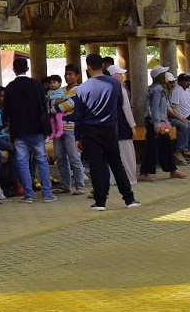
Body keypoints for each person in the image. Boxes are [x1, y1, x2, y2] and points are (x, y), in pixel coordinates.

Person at [70, 52, 140, 211]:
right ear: (102, 65)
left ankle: (100, 201)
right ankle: (129, 198)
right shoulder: (115, 84)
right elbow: (120, 104)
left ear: (87, 68)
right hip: (110, 129)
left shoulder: (82, 88)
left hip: (89, 131)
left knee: (96, 165)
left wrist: (77, 136)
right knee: (117, 164)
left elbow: (78, 115)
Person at [3, 56, 55, 202]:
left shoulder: (10, 87)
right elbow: (43, 107)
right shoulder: (36, 84)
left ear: (14, 70)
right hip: (36, 128)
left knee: (22, 162)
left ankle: (28, 194)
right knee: (42, 160)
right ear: (27, 68)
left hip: (18, 130)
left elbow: (7, 111)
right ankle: (47, 193)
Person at [140, 67, 188, 183]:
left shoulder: (163, 89)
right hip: (155, 122)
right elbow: (154, 107)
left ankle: (172, 170)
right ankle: (144, 173)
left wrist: (177, 118)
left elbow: (166, 107)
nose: (167, 77)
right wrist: (156, 123)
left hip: (162, 122)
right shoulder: (156, 89)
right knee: (151, 147)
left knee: (166, 145)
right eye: (165, 74)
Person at [46, 73, 86, 195]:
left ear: (77, 76)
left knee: (74, 156)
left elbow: (71, 104)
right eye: (66, 74)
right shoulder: (61, 90)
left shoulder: (79, 89)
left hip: (71, 127)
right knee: (60, 157)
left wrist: (53, 107)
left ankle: (80, 185)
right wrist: (57, 103)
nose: (67, 77)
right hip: (58, 128)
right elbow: (52, 103)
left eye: (70, 74)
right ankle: (65, 185)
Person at [104, 59, 139, 186]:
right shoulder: (120, 89)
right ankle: (130, 178)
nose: (122, 76)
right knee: (127, 154)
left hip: (109, 127)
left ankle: (112, 179)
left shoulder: (105, 88)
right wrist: (132, 126)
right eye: (120, 74)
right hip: (122, 126)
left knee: (112, 155)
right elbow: (126, 109)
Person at [168, 72, 190, 161]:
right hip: (170, 117)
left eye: (173, 82)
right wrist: (180, 118)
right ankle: (180, 150)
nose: (172, 85)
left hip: (177, 116)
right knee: (184, 125)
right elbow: (172, 108)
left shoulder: (173, 91)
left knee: (189, 125)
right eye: (170, 82)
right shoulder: (176, 90)